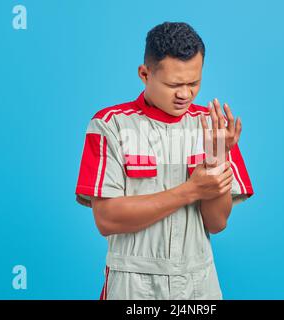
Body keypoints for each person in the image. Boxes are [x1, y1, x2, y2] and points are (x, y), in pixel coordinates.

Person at [75, 22, 254, 300]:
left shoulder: (212, 127)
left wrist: (219, 158)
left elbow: (216, 223)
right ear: (145, 74)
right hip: (133, 286)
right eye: (173, 84)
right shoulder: (110, 126)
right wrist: (190, 191)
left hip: (199, 284)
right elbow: (107, 219)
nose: (185, 94)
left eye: (194, 83)